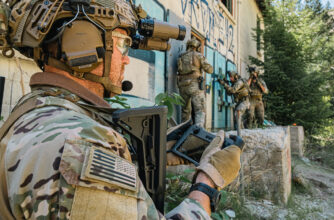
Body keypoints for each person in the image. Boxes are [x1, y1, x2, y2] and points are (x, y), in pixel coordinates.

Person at [0, 1, 242, 219]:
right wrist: (206, 183)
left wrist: (147, 152)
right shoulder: (82, 144)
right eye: (123, 44)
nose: (127, 59)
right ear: (82, 42)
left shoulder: (31, 109)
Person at [177, 37, 213, 128]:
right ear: (196, 47)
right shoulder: (198, 55)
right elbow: (209, 70)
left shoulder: (181, 56)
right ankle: (199, 133)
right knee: (200, 110)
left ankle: (183, 133)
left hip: (182, 86)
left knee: (185, 111)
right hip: (194, 86)